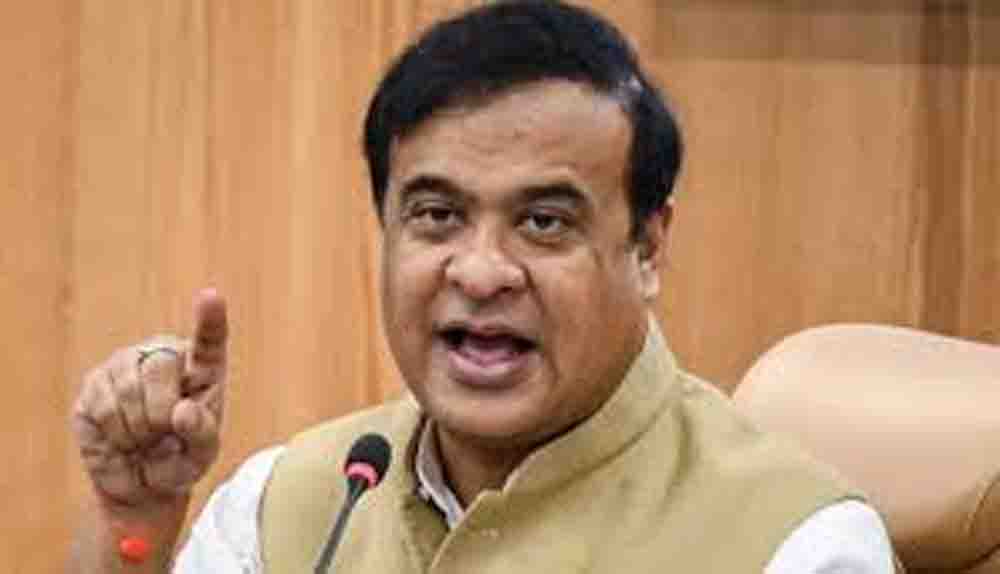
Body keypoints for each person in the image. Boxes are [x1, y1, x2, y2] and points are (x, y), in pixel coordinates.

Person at [69, 1, 897, 572]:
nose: (481, 271)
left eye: (543, 222)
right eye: (437, 216)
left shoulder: (796, 545)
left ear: (647, 248)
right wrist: (131, 523)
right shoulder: (292, 505)